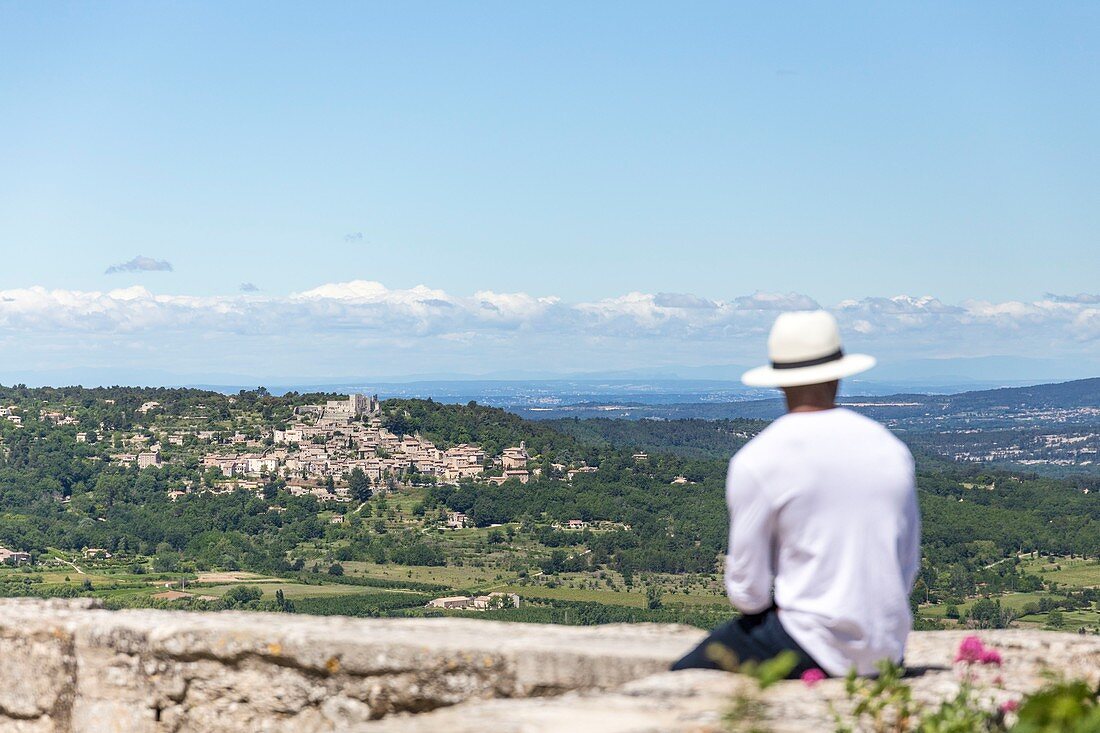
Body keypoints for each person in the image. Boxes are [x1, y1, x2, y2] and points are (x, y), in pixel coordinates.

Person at [671, 310, 920, 678]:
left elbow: (747, 593)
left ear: (780, 382)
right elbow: (907, 564)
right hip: (887, 647)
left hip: (810, 645)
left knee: (684, 676)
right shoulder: (891, 450)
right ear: (838, 373)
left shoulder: (759, 458)